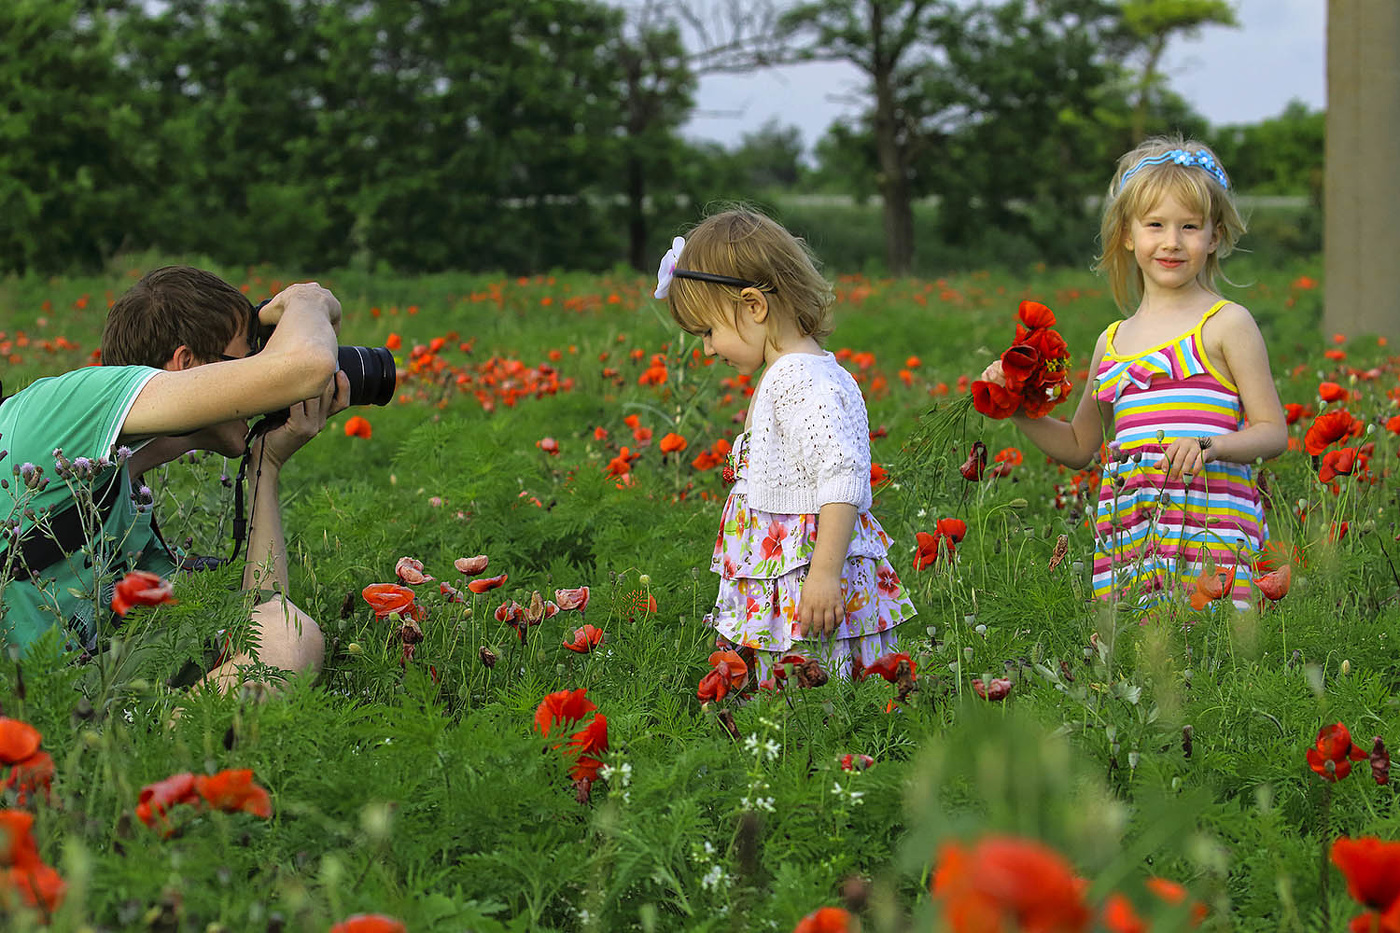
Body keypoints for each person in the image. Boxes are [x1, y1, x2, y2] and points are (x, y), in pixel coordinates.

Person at [0, 265, 348, 689]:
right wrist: (306, 299)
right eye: (246, 361)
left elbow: (260, 625)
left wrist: (265, 467)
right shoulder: (76, 401)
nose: (260, 382)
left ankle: (161, 744)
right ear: (186, 365)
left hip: (59, 700)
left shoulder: (129, 508)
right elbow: (307, 367)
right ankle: (174, 741)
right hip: (29, 702)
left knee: (284, 631)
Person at [978, 136, 1287, 608]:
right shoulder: (1113, 342)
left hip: (1214, 537)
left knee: (1217, 664)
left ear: (1215, 236)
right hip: (1134, 544)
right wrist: (1016, 407)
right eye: (1156, 225)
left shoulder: (1226, 324)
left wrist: (1212, 444)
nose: (1172, 242)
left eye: (1189, 226)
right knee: (1145, 667)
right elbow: (1081, 447)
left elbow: (1273, 432)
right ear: (1127, 233)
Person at [655, 208, 917, 678]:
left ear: (754, 306)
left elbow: (842, 477)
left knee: (815, 682)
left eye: (709, 332)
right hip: (786, 572)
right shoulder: (794, 372)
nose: (708, 349)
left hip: (805, 576)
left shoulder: (799, 379)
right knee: (802, 685)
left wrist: (823, 575)